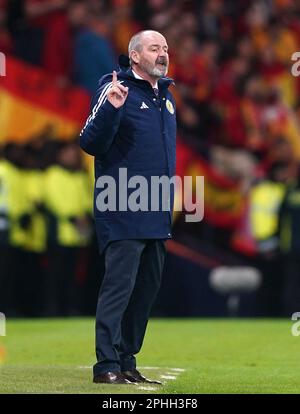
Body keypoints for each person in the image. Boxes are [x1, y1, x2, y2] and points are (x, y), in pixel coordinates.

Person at [79, 30, 176, 385]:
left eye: (165, 48)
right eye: (154, 48)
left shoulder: (165, 97)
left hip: (156, 210)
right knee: (119, 288)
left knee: (146, 290)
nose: (163, 53)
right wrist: (110, 108)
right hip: (122, 204)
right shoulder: (114, 87)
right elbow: (89, 142)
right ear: (134, 56)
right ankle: (106, 365)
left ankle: (126, 360)